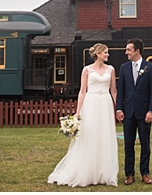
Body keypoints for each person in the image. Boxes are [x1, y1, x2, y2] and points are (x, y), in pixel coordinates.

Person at [47, 43, 119, 187]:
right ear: (98, 54)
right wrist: (77, 112)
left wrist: (116, 109)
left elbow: (114, 91)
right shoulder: (87, 70)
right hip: (91, 103)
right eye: (105, 52)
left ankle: (103, 172)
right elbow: (82, 91)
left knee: (104, 136)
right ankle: (87, 172)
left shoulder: (110, 69)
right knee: (89, 136)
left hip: (105, 103)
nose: (107, 55)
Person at [116, 38, 152, 185]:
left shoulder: (150, 68)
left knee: (145, 144)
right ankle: (129, 174)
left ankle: (145, 173)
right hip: (128, 112)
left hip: (144, 112)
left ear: (137, 51)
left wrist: (151, 111)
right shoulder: (123, 68)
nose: (126, 52)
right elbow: (120, 90)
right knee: (128, 145)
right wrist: (119, 108)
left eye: (128, 49)